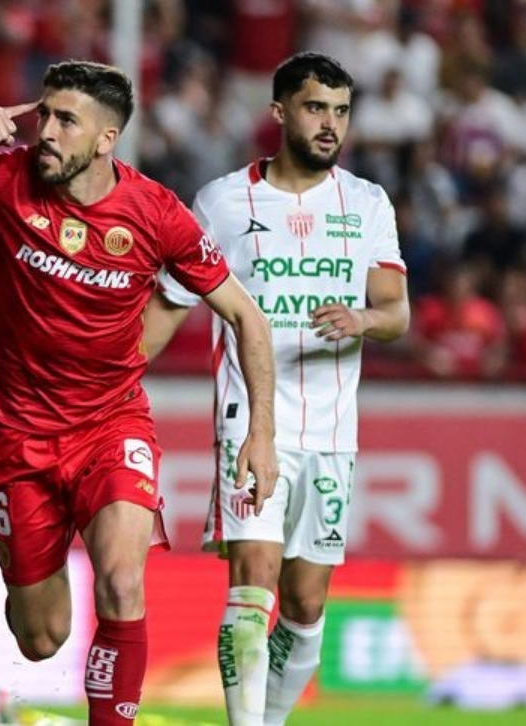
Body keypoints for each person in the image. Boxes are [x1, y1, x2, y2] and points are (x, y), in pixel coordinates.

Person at [0, 60, 278, 724]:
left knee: (121, 581)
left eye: (64, 120)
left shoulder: (155, 214)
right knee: (41, 637)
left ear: (106, 140)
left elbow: (246, 316)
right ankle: (26, 591)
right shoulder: (1, 180)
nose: (43, 130)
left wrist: (262, 436)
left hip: (112, 425)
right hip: (18, 435)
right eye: (42, 114)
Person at [145, 52, 411, 726]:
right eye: (317, 107)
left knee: (305, 608)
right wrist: (105, 374)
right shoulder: (223, 201)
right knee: (253, 580)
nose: (331, 125)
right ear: (280, 111)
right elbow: (172, 304)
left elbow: (397, 311)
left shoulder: (369, 203)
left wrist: (365, 319)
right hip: (250, 420)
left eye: (342, 111)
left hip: (331, 428)